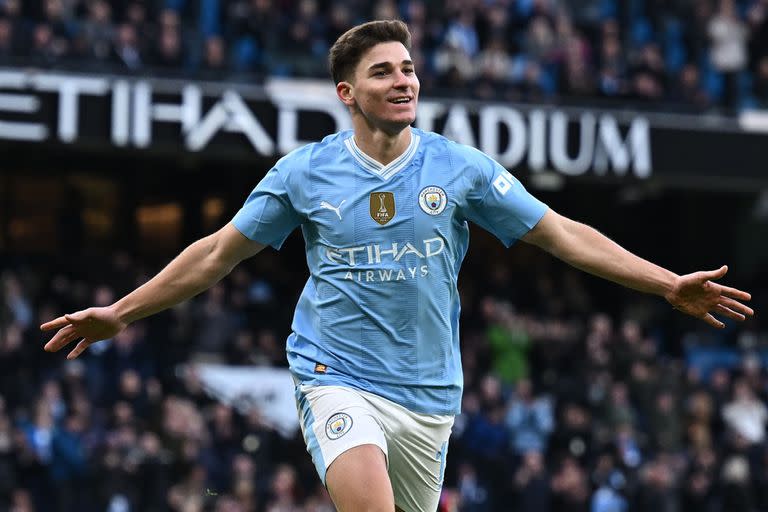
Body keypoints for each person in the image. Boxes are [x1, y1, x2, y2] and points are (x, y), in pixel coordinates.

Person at [41, 20, 754, 512]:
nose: (403, 79)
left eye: (408, 68)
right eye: (382, 71)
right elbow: (216, 254)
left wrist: (667, 283)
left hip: (430, 397)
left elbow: (562, 235)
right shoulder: (305, 174)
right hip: (335, 375)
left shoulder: (460, 169)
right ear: (347, 94)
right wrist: (122, 312)